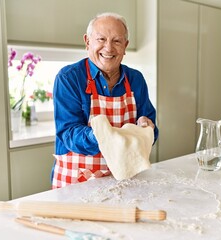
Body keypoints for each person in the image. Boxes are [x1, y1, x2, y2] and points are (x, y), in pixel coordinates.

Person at [52, 12, 158, 189]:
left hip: (126, 179)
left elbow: (152, 132)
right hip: (78, 180)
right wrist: (104, 135)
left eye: (117, 41)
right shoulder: (69, 78)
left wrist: (146, 127)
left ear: (125, 46)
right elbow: (68, 133)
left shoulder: (135, 79)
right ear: (87, 42)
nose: (108, 48)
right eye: (101, 39)